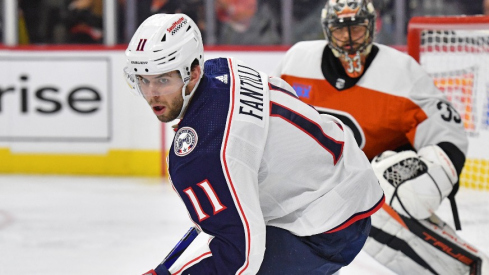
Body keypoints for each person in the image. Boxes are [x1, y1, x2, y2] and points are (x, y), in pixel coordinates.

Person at [123, 13, 384, 275]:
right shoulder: (223, 68)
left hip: (329, 227)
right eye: (144, 80)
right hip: (347, 176)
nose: (152, 93)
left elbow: (241, 256)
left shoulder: (203, 154)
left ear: (192, 73)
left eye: (163, 80)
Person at [273, 0, 489, 274]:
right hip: (311, 185)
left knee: (377, 210)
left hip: (374, 186)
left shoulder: (401, 73)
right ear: (327, 31)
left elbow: (446, 132)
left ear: (373, 28)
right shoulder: (296, 62)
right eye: (340, 31)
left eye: (357, 30)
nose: (349, 40)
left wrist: (437, 170)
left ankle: (471, 268)